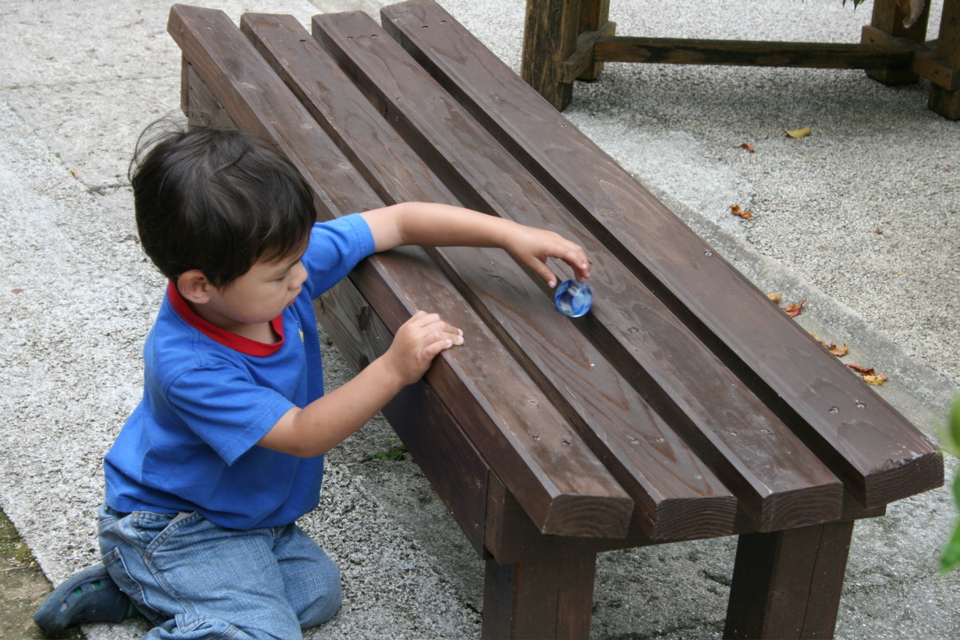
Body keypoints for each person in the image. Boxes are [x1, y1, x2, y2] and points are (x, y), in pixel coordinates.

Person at [34, 123, 590, 639]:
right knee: (267, 630)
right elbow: (303, 433)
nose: (303, 277)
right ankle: (151, 569)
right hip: (176, 523)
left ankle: (141, 588)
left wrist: (511, 235)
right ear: (200, 285)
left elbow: (395, 221)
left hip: (247, 520)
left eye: (300, 259)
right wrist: (392, 368)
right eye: (283, 273)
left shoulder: (263, 271)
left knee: (316, 593)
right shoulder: (190, 365)